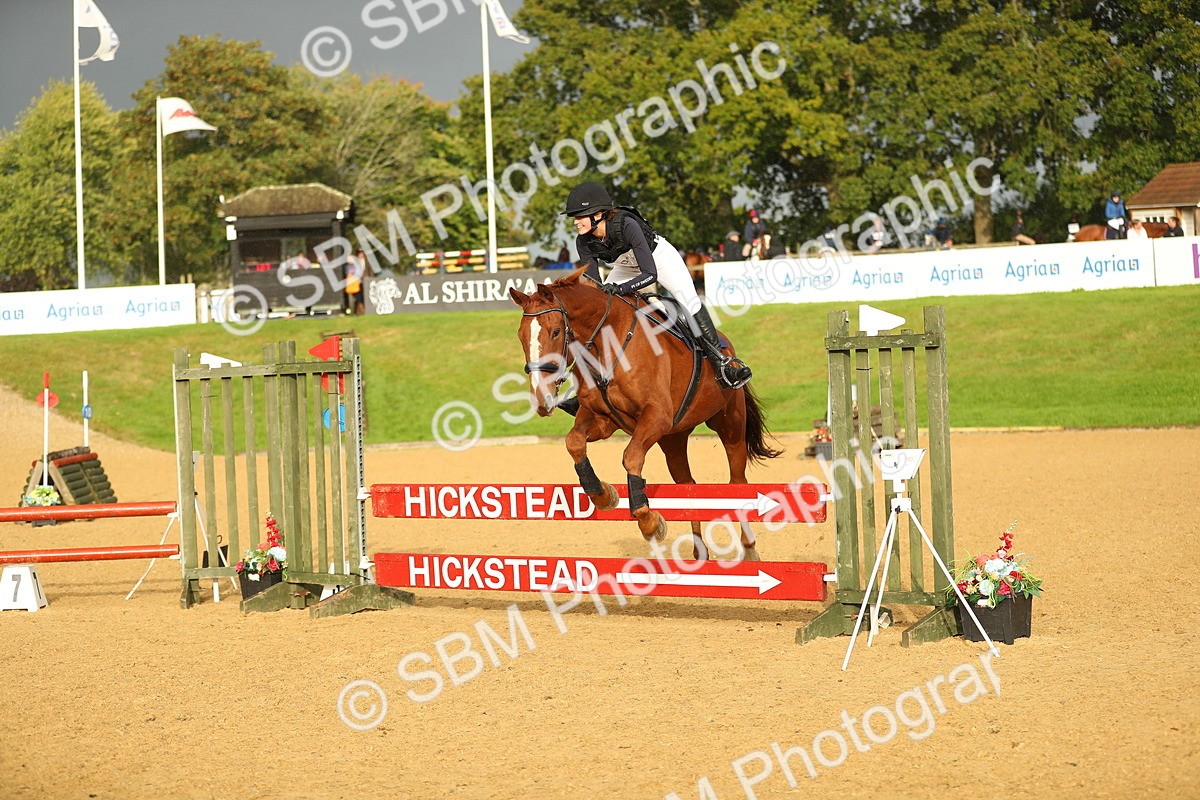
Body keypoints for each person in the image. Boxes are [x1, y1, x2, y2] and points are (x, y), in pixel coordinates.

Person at [562, 181, 752, 390]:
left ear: (597, 215)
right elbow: (594, 284)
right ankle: (585, 387)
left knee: (688, 301)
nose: (575, 222)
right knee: (600, 311)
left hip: (658, 260)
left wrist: (621, 289)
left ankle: (723, 365)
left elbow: (650, 274)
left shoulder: (626, 225)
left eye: (579, 216)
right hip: (625, 267)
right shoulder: (583, 242)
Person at [344, 249, 367, 315]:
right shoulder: (350, 266)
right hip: (355, 284)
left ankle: (358, 311)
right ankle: (360, 310)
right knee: (358, 297)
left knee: (359, 297)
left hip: (361, 282)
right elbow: (350, 274)